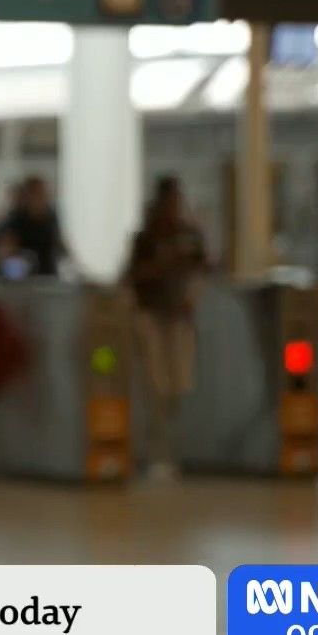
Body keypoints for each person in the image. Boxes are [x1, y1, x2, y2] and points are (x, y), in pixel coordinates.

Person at [123, 176, 210, 479]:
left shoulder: (189, 235)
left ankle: (176, 449)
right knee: (155, 385)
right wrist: (160, 266)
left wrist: (192, 294)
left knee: (178, 384)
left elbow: (204, 269)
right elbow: (132, 275)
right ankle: (154, 453)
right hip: (151, 316)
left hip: (179, 319)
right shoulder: (147, 237)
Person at [0, 175, 67, 278]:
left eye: (43, 194)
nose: (41, 199)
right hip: (23, 279)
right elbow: (3, 253)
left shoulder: (51, 219)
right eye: (36, 194)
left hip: (48, 276)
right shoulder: (14, 221)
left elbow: (59, 248)